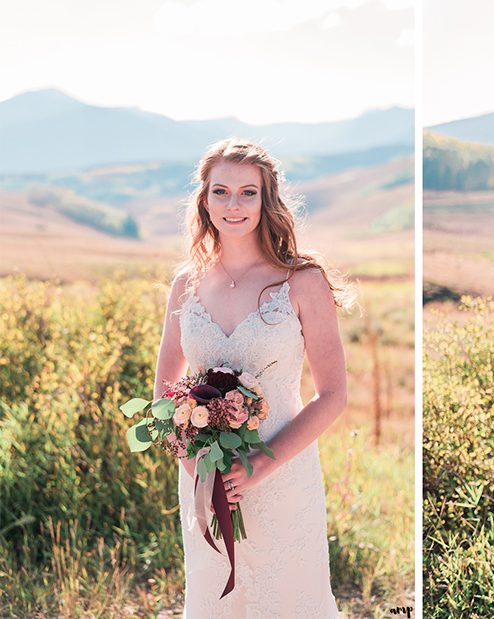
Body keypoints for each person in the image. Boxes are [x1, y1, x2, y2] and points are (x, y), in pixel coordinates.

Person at [153, 138, 355, 616]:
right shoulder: (187, 283)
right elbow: (164, 388)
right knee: (216, 597)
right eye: (221, 191)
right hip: (205, 477)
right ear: (204, 200)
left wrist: (259, 468)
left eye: (248, 192)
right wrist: (196, 466)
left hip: (282, 473)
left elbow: (333, 395)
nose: (234, 204)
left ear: (267, 201)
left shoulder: (301, 282)